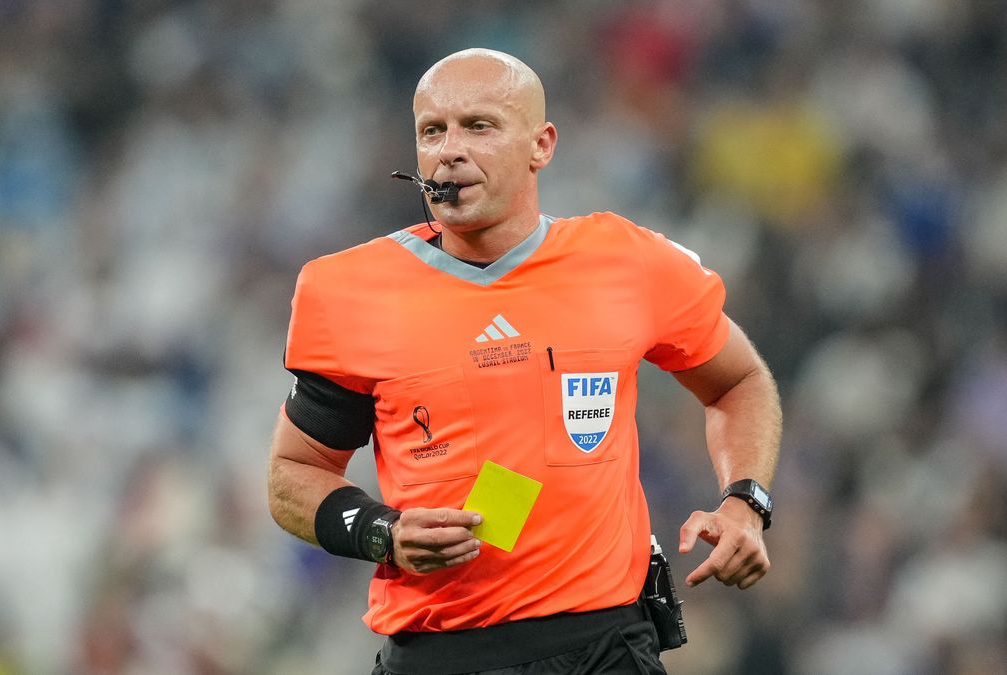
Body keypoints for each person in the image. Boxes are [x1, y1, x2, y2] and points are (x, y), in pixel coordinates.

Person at [268, 48, 782, 675]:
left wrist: (745, 501)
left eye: (479, 126)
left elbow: (738, 382)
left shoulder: (624, 262)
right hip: (440, 657)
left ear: (541, 145)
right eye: (432, 131)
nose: (449, 151)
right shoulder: (351, 292)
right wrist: (382, 532)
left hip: (607, 648)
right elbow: (295, 472)